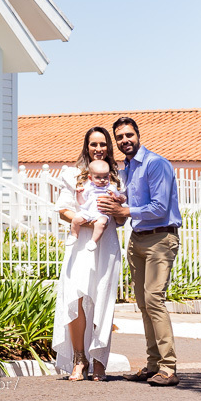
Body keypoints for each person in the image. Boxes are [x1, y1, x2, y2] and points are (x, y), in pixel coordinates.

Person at [97, 116, 182, 388]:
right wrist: (120, 201)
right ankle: (153, 364)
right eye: (120, 137)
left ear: (138, 134)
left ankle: (168, 368)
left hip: (160, 238)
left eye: (129, 135)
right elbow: (132, 202)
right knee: (144, 304)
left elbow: (158, 207)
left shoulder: (156, 164)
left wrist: (125, 210)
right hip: (138, 239)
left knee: (154, 300)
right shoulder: (128, 168)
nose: (125, 141)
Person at [52, 126, 124, 381]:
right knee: (77, 298)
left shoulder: (116, 178)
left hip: (106, 245)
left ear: (108, 147)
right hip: (80, 243)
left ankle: (99, 360)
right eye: (93, 144)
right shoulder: (74, 176)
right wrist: (84, 221)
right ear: (87, 146)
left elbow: (122, 219)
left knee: (102, 299)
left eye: (103, 144)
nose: (98, 149)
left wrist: (114, 210)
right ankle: (79, 359)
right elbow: (63, 210)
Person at [66, 159, 125, 250]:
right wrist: (79, 194)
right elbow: (82, 202)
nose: (102, 180)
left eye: (105, 177)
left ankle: (93, 241)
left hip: (102, 213)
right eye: (98, 177)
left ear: (109, 176)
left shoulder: (111, 188)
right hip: (88, 211)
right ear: (90, 178)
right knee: (76, 219)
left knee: (101, 224)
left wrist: (117, 198)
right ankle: (74, 235)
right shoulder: (88, 188)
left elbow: (120, 199)